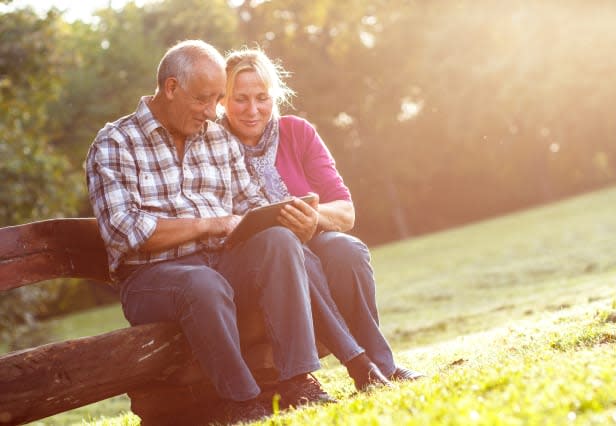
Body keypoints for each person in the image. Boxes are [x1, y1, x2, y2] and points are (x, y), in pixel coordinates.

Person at [85, 40, 333, 424]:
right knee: (202, 283)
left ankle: (298, 379)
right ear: (171, 88)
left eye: (218, 99)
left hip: (222, 263)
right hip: (152, 279)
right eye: (203, 99)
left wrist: (284, 217)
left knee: (278, 241)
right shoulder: (115, 143)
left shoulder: (217, 138)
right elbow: (125, 232)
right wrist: (210, 224)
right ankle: (242, 402)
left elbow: (251, 203)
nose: (213, 111)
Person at [218, 48, 425, 392]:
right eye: (240, 99)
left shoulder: (298, 133)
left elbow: (345, 211)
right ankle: (361, 364)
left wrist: (312, 219)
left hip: (308, 241)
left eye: (262, 98)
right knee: (293, 251)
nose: (253, 110)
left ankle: (382, 365)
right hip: (254, 267)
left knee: (347, 250)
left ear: (274, 96)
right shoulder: (211, 146)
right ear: (223, 100)